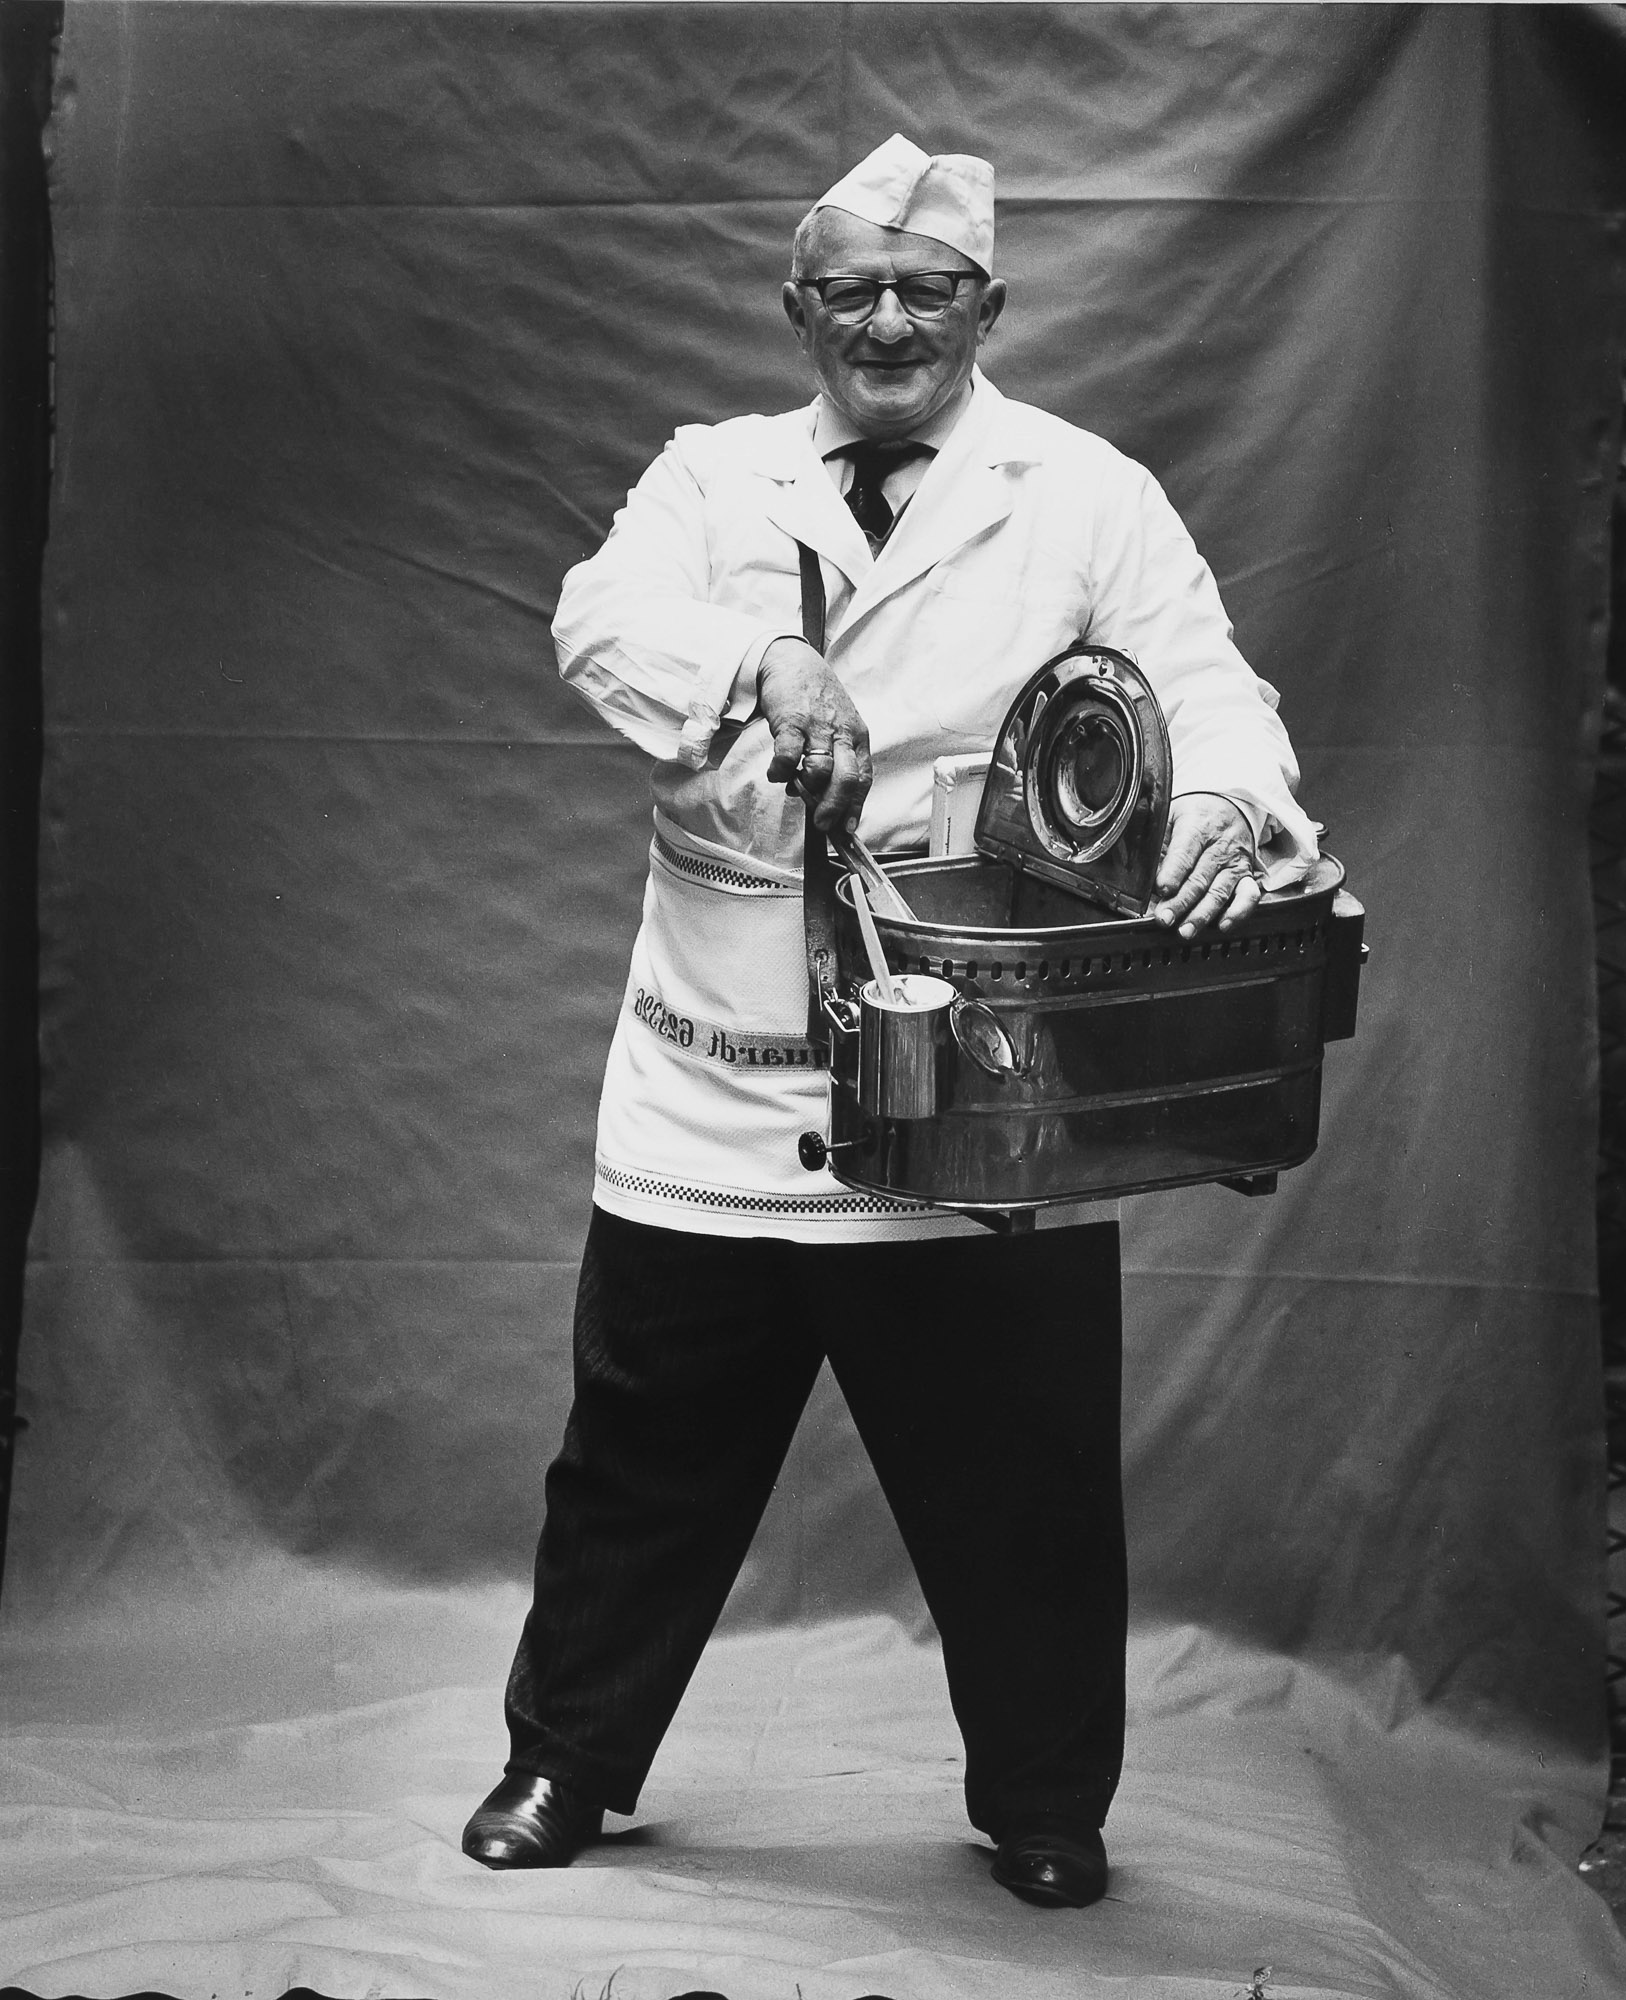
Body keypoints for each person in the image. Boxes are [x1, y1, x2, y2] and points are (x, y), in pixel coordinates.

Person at [461, 134, 1319, 1909]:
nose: (889, 324)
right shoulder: (713, 477)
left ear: (989, 308)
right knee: (641, 1452)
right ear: (798, 309)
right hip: (715, 1067)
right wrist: (758, 665)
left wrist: (1234, 811)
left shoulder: (1084, 492)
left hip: (980, 1074)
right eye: (850, 290)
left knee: (1022, 1470)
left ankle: (1046, 1805)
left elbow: (1212, 688)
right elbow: (598, 620)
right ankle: (565, 1763)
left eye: (928, 292)